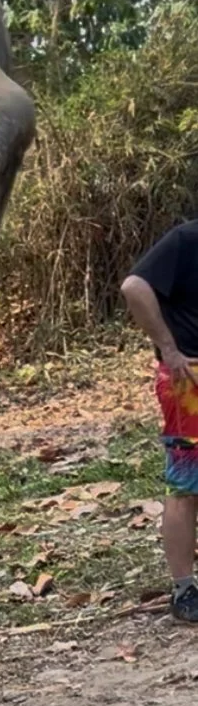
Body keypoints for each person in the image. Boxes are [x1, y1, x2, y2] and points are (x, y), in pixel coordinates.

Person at [122, 219, 198, 622]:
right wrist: (168, 348)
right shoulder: (186, 239)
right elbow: (134, 287)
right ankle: (184, 590)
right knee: (186, 485)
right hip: (190, 381)